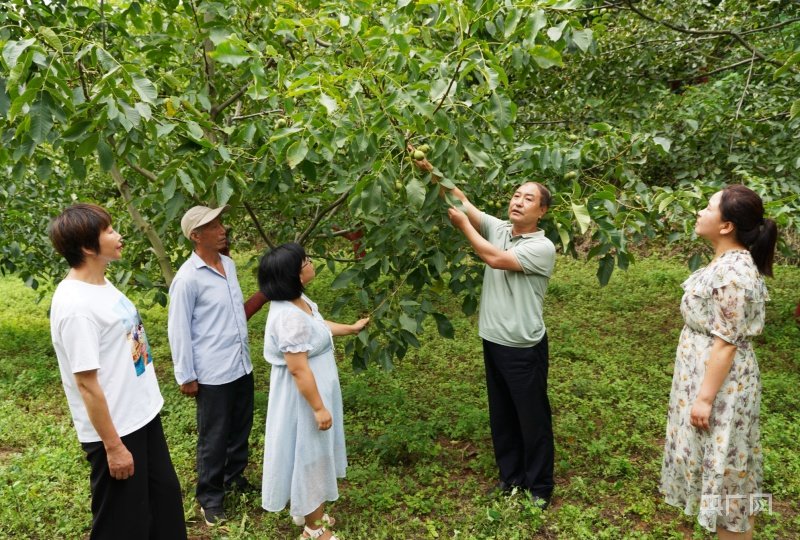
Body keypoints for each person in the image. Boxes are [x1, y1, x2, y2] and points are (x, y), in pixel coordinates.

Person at [414, 152, 556, 506]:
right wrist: (431, 169)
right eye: (516, 195)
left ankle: (539, 488)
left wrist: (464, 227)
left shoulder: (542, 246)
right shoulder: (501, 228)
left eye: (529, 199)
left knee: (532, 418)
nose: (519, 202)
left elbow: (495, 259)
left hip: (523, 346)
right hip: (493, 340)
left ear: (542, 212)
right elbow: (461, 199)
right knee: (503, 415)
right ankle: (511, 479)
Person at [48, 203, 186, 539]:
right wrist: (113, 447)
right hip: (117, 430)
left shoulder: (101, 284)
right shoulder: (76, 307)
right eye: (109, 230)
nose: (118, 235)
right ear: (86, 246)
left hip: (142, 416)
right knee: (122, 524)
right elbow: (87, 386)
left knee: (164, 506)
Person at [660, 185, 778, 539]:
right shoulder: (723, 263)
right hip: (708, 377)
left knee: (728, 473)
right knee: (721, 467)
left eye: (708, 208)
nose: (699, 212)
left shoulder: (734, 273)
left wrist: (705, 398)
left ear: (726, 225)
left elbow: (726, 343)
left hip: (723, 386)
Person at [258, 242, 368, 540]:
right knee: (310, 455)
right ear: (294, 274)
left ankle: (307, 509)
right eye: (304, 260)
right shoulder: (289, 317)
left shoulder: (298, 302)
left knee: (310, 451)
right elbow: (298, 368)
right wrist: (318, 407)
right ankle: (314, 529)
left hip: (312, 392)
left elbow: (317, 327)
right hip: (303, 398)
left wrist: (351, 327)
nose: (310, 262)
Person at [168, 205, 254, 526]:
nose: (222, 230)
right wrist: (186, 374)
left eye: (221, 223)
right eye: (214, 226)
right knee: (214, 436)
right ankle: (210, 497)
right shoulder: (187, 278)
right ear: (195, 235)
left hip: (240, 365)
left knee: (240, 428)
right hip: (213, 372)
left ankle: (234, 478)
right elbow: (178, 329)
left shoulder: (228, 265)